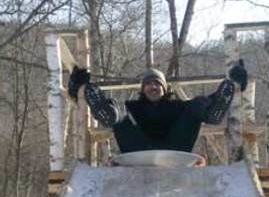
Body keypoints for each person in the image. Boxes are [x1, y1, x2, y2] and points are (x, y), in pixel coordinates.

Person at [66, 62, 249, 154]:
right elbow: (77, 101)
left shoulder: (178, 106)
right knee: (118, 111)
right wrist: (77, 89)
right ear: (142, 89)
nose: (153, 86)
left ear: (164, 89)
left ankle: (216, 107)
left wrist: (235, 85)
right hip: (139, 151)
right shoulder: (133, 107)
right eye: (148, 84)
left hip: (174, 150)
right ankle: (95, 97)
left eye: (157, 84)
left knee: (196, 105)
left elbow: (198, 105)